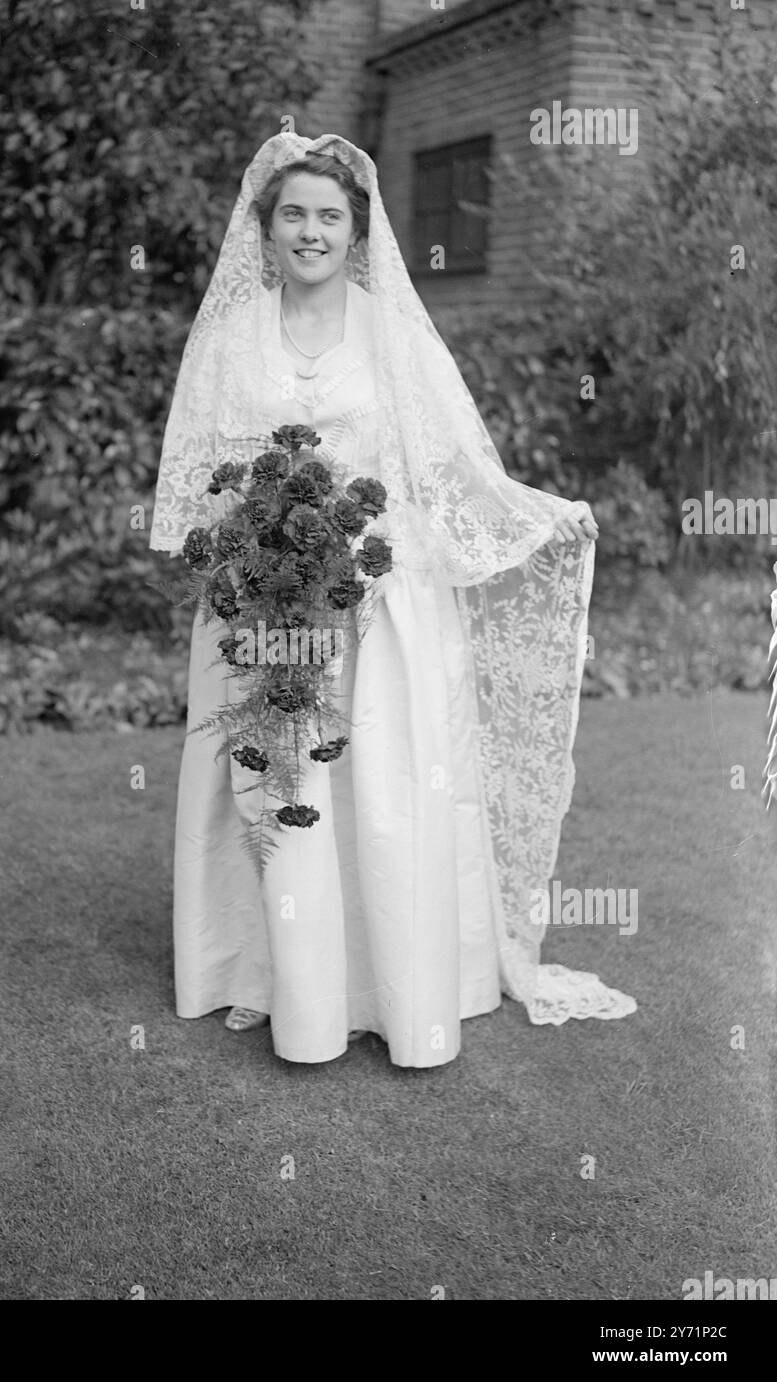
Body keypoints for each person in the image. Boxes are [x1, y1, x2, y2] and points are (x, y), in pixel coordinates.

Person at [149, 132, 636, 1067]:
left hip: (380, 603)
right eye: (292, 213)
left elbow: (456, 462)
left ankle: (396, 985)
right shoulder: (229, 335)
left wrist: (543, 514)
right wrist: (245, 561)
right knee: (275, 782)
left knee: (379, 791)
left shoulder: (393, 333)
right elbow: (201, 467)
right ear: (265, 227)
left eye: (328, 215)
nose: (310, 231)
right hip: (263, 603)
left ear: (356, 231)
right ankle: (271, 978)